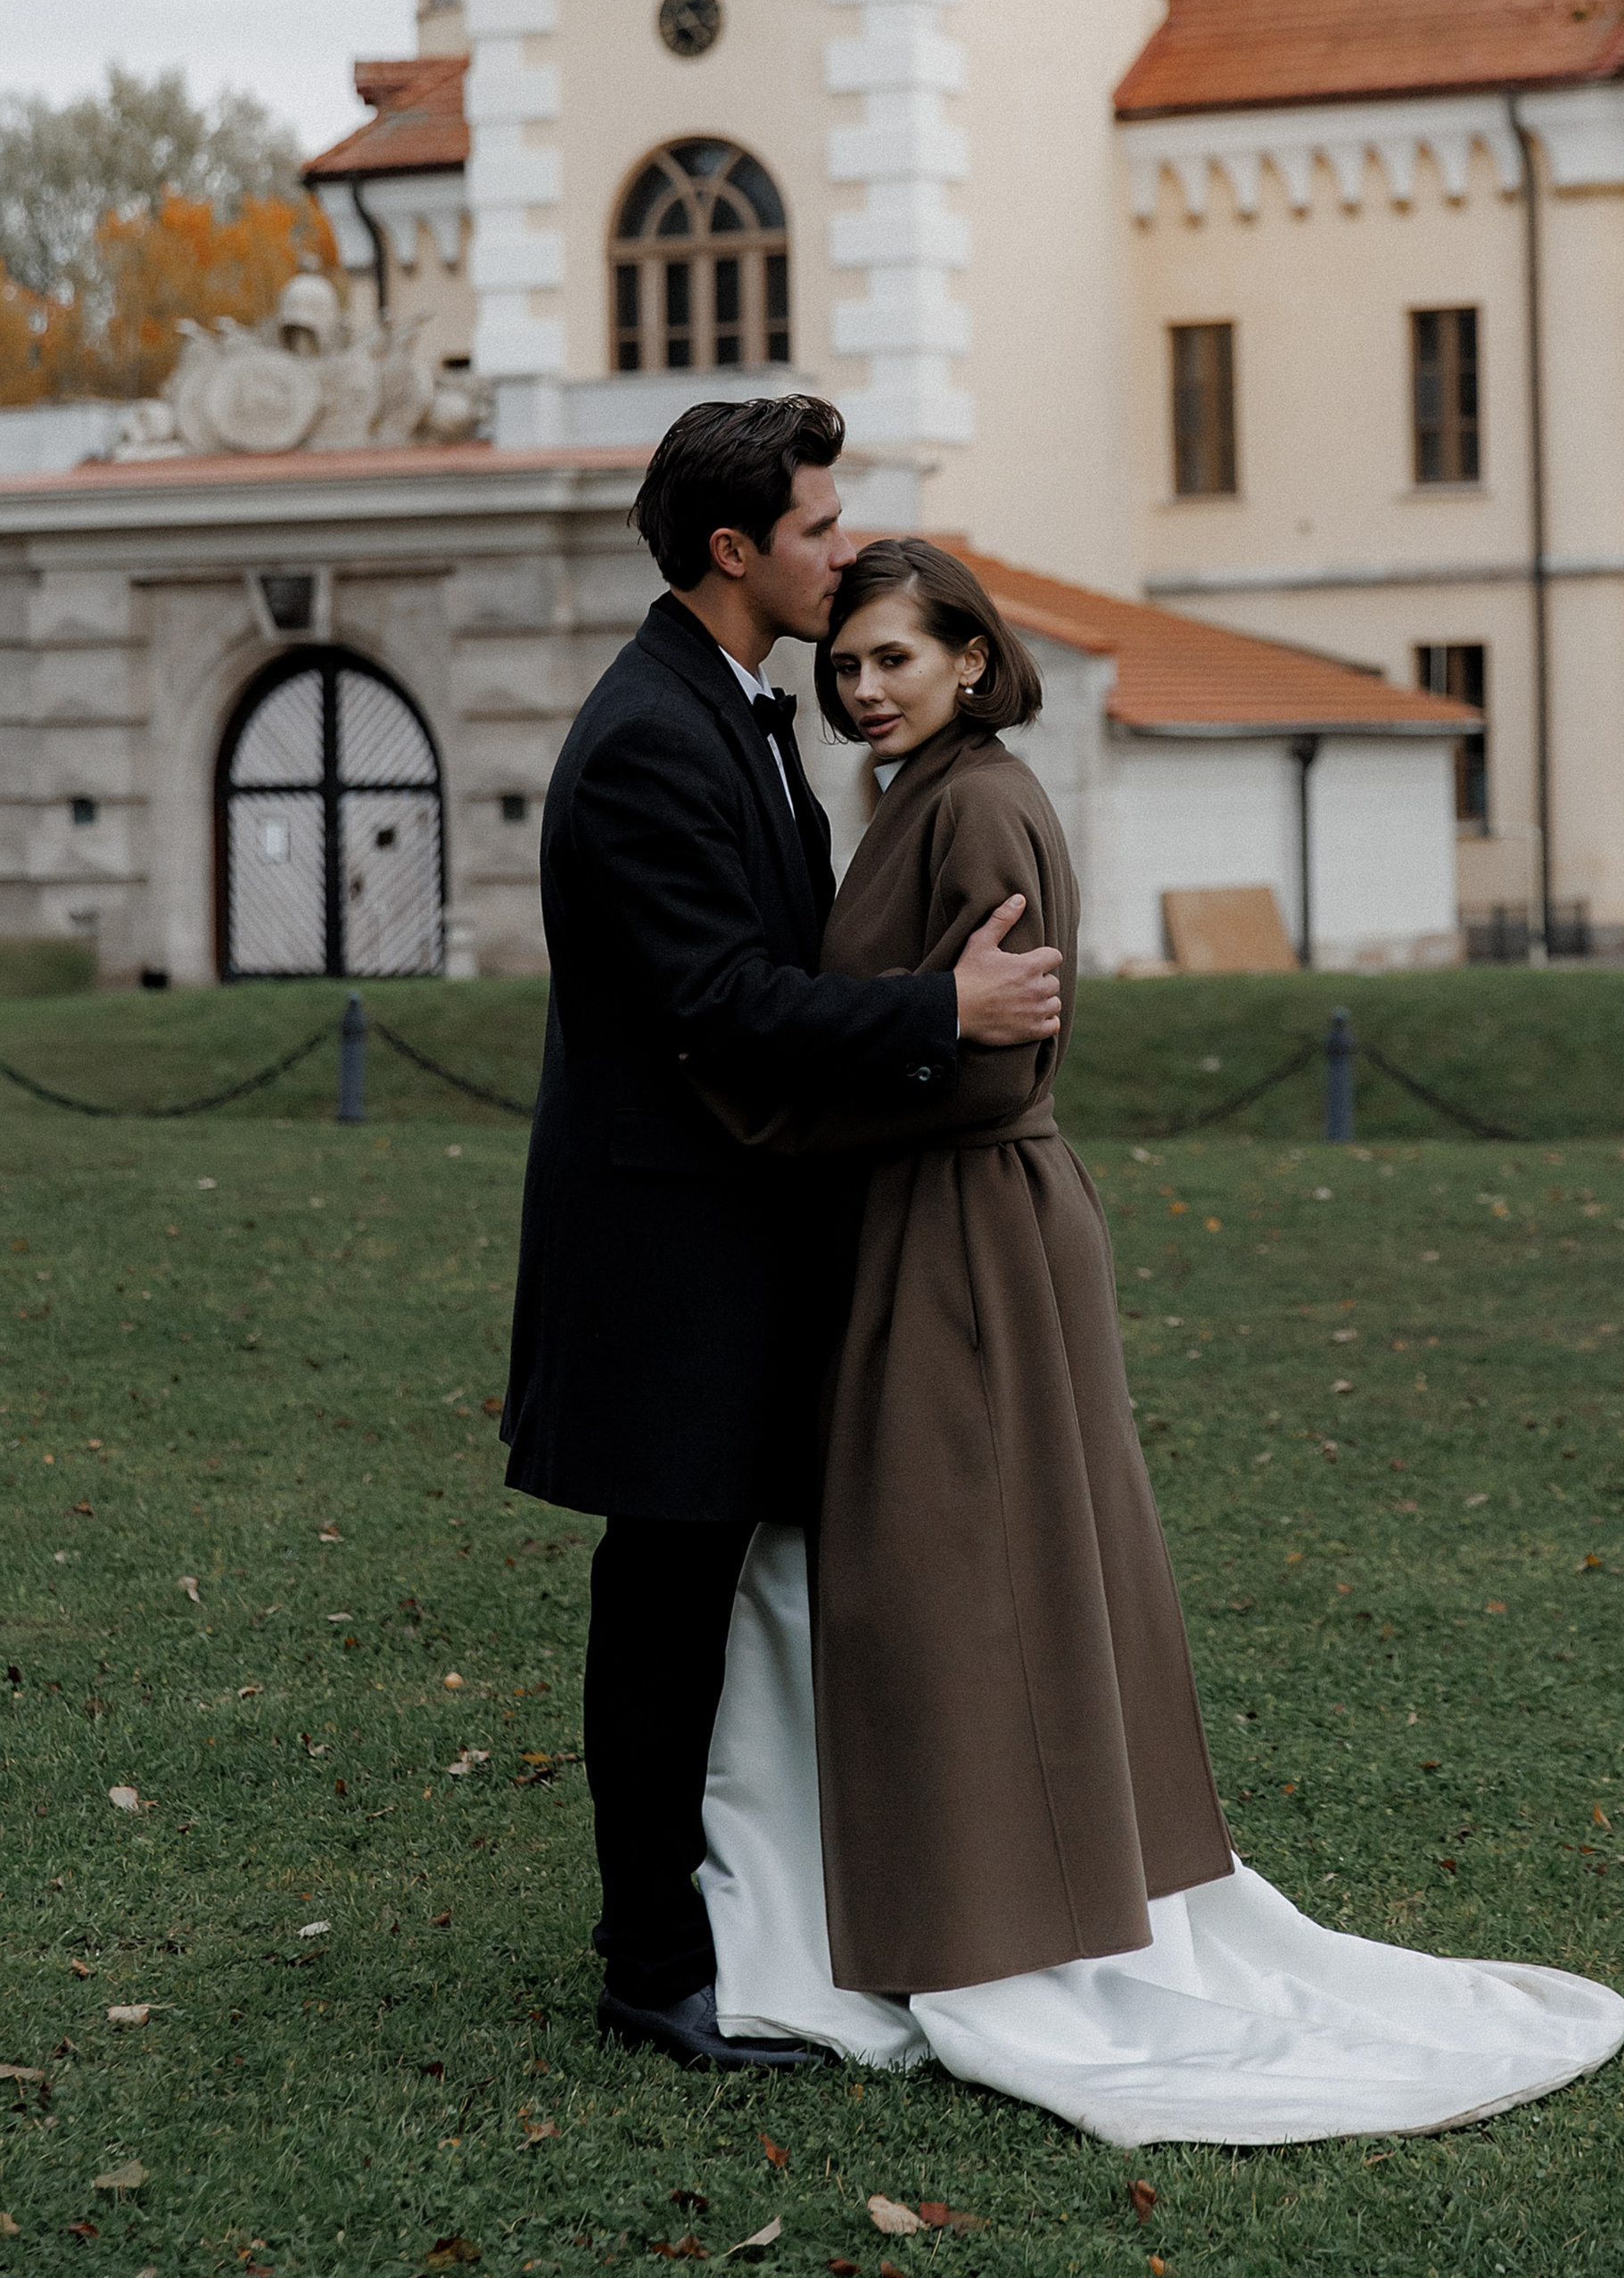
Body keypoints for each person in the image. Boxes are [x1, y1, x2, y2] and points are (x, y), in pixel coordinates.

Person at [695, 536, 1624, 2147]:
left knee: (972, 1566)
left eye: (893, 662)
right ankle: (962, 1889)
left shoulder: (981, 801)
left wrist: (787, 1111)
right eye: (844, 667)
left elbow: (997, 1064)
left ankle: (1008, 1916)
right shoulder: (910, 798)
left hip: (970, 1227)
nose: (861, 690)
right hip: (925, 1217)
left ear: (972, 662)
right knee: (947, 1571)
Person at [499, 402, 1066, 2077]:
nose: (844, 548)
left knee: (707, 1601)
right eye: (821, 527)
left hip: (734, 1245)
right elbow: (718, 1003)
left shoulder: (736, 713)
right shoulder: (652, 737)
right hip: (665, 1262)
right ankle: (655, 1966)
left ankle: (747, 1921)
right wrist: (940, 1007)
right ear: (736, 553)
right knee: (661, 1605)